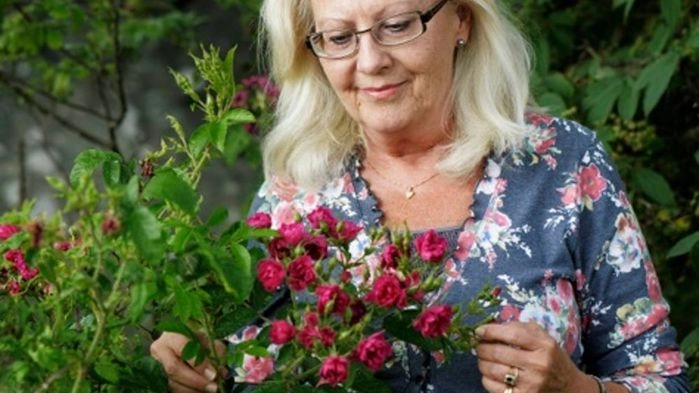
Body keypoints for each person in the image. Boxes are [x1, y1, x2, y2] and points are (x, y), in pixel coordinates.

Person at [151, 0, 691, 392]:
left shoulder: (563, 165)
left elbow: (662, 378)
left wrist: (576, 392)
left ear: (461, 19)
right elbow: (242, 362)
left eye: (396, 26)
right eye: (339, 38)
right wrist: (201, 359)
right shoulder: (295, 192)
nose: (370, 61)